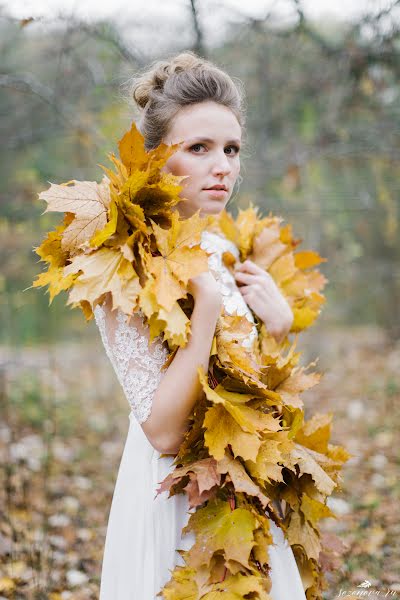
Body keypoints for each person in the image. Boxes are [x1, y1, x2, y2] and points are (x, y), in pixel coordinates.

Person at [93, 50, 306, 599]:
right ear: (157, 158)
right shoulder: (125, 260)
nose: (224, 167)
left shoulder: (221, 246)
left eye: (232, 149)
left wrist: (278, 328)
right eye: (199, 148)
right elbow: (162, 430)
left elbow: (244, 389)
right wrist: (207, 310)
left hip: (238, 490)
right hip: (173, 498)